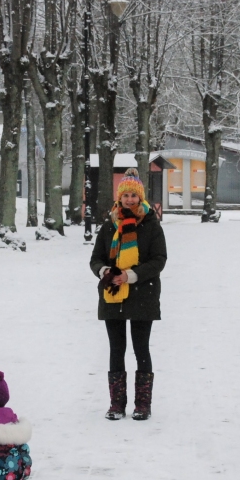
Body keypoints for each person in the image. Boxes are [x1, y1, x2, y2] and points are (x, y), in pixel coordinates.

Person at [89, 170, 168, 421]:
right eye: (126, 195)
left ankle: (142, 404)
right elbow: (96, 259)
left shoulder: (151, 224)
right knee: (116, 349)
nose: (130, 199)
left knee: (141, 348)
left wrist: (131, 275)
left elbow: (159, 260)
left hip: (143, 294)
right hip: (113, 295)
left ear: (140, 197)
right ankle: (116, 404)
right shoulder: (109, 224)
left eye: (134, 195)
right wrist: (105, 271)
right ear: (119, 197)